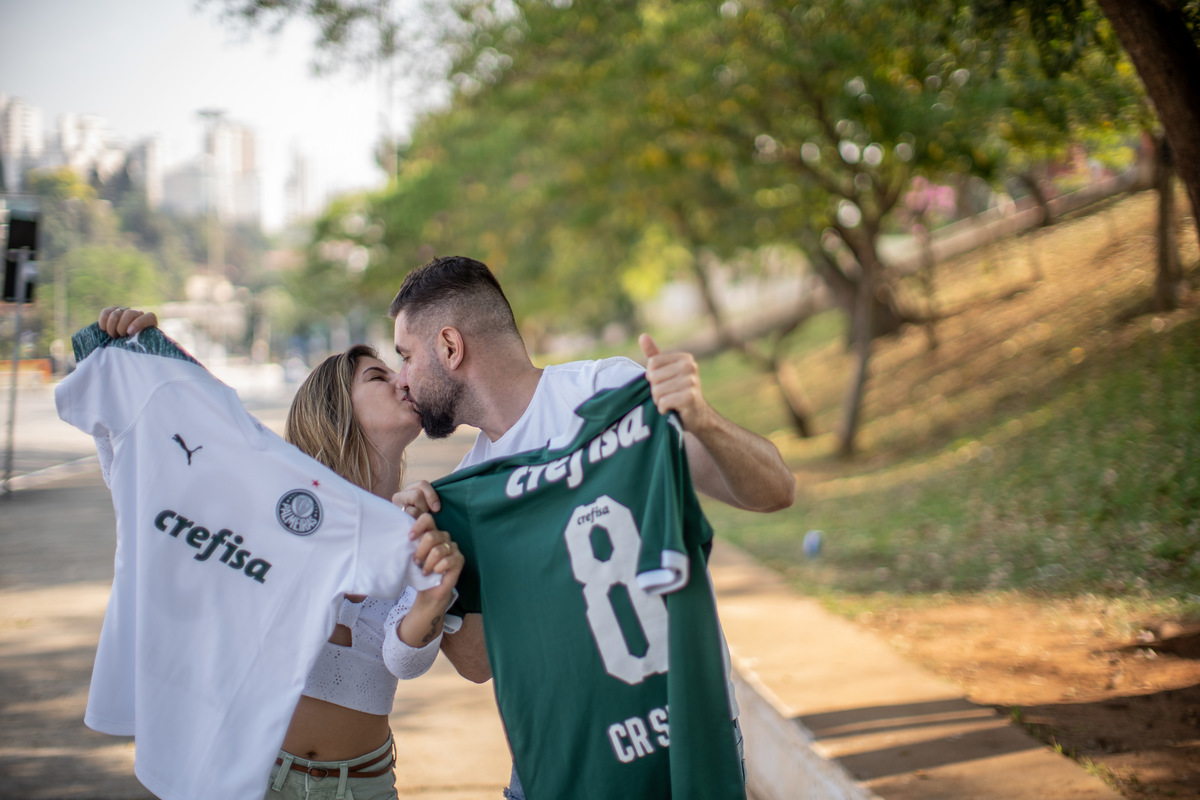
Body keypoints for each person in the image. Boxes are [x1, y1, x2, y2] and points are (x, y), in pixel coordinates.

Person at [387, 256, 796, 799]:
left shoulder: (608, 392)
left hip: (683, 747)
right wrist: (435, 576)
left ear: (450, 347)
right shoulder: (466, 492)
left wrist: (702, 417)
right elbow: (480, 665)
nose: (401, 379)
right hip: (556, 768)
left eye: (406, 356)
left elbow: (776, 491)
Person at [97, 306, 476, 800]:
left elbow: (402, 660)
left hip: (364, 785)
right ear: (337, 405)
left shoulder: (414, 524)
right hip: (251, 775)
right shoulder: (271, 504)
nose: (402, 380)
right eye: (379, 375)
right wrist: (135, 354)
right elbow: (156, 486)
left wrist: (431, 597)